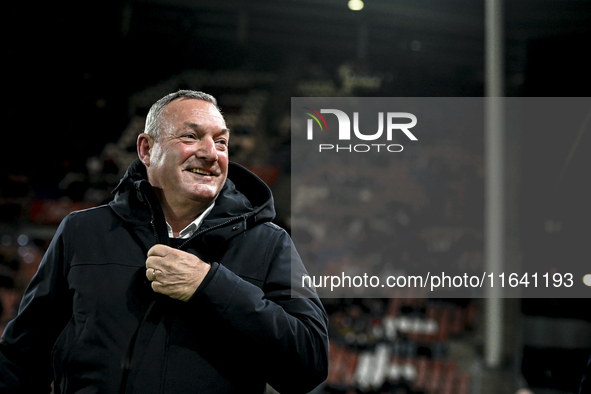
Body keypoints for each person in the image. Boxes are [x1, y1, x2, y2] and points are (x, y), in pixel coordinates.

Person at [0, 90, 329, 393]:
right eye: (191, 136)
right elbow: (20, 360)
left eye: (222, 142)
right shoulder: (82, 231)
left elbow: (309, 364)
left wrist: (212, 285)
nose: (210, 153)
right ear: (146, 149)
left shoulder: (270, 244)